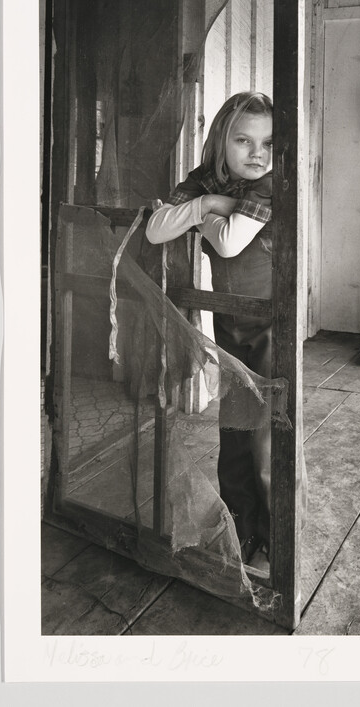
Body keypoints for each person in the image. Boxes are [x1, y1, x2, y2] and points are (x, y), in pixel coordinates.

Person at [145, 91, 277, 571]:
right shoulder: (205, 182)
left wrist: (206, 213)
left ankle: (276, 541)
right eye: (243, 140)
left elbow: (227, 242)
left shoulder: (270, 185)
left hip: (270, 325)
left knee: (267, 436)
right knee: (235, 431)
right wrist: (210, 200)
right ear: (222, 139)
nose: (257, 153)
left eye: (267, 142)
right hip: (229, 323)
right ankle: (241, 532)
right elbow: (156, 228)